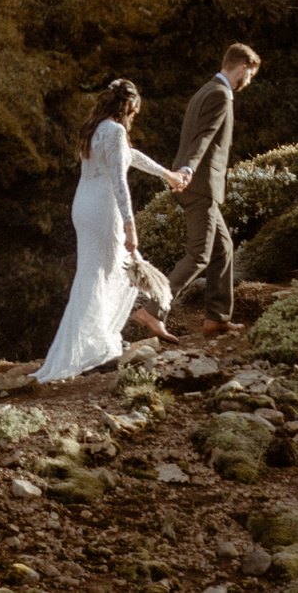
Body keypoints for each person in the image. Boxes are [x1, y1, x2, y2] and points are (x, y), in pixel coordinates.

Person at [32, 79, 189, 381]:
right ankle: (97, 346)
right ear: (129, 107)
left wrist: (166, 174)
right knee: (112, 273)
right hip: (104, 210)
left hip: (84, 207)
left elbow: (130, 156)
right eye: (135, 113)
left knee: (99, 274)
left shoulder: (95, 127)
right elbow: (120, 181)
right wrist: (130, 226)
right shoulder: (115, 131)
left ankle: (100, 340)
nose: (134, 119)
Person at [171, 43, 261, 335]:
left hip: (196, 183)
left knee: (223, 249)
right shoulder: (221, 94)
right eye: (250, 76)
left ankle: (217, 318)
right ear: (242, 68)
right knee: (198, 255)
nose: (248, 82)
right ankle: (152, 309)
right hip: (199, 185)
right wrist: (187, 169)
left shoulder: (204, 91)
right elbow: (204, 137)